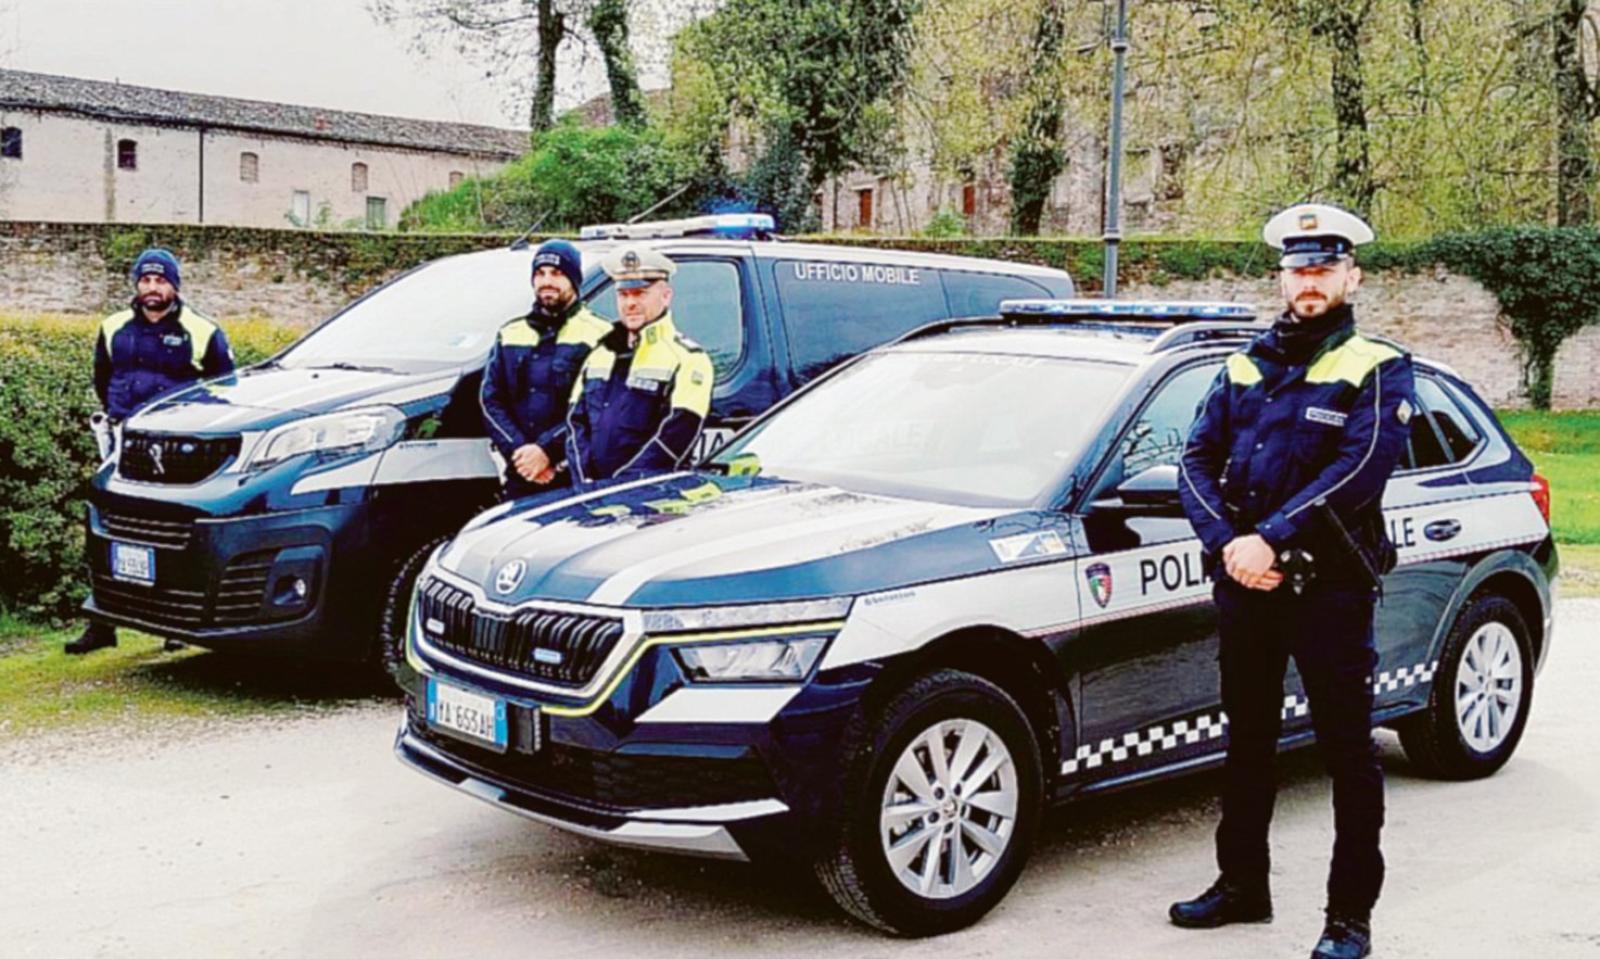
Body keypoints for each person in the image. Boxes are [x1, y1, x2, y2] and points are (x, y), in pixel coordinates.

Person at [1171, 203, 1415, 959]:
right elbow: (1194, 463)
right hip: (1247, 585)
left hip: (1331, 590)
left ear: (1352, 275)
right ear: (1282, 277)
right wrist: (1230, 545)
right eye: (1299, 270)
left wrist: (1268, 538)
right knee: (1246, 740)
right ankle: (1242, 884)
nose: (1310, 283)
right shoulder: (1244, 365)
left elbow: (1358, 472)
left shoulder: (1377, 365)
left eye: (1324, 269)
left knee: (1348, 751)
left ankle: (1349, 918)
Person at [68, 247, 235, 655]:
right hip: (124, 442)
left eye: (160, 280)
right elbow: (102, 378)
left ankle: (176, 625)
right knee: (106, 527)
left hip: (182, 449)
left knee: (173, 533)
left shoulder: (202, 330)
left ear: (174, 285)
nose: (152, 288)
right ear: (136, 285)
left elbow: (227, 388)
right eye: (145, 280)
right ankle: (102, 624)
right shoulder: (113, 328)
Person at [566, 245, 714, 484]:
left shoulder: (688, 358)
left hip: (653, 498)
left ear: (666, 295)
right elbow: (576, 424)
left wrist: (626, 487)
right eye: (623, 295)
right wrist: (585, 482)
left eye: (640, 293)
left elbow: (677, 436)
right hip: (593, 496)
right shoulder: (599, 354)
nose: (630, 303)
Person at [480, 239, 610, 499]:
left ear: (574, 280)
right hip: (521, 473)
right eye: (540, 274)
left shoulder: (601, 334)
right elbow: (490, 400)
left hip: (574, 474)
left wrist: (547, 453)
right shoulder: (510, 333)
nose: (547, 281)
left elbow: (595, 408)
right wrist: (522, 455)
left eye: (557, 273)